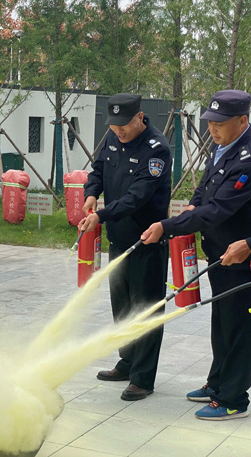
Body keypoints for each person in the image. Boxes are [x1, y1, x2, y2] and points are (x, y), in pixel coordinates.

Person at [142, 89, 251, 421]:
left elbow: (218, 209)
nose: (212, 128)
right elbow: (205, 190)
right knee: (222, 322)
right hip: (220, 253)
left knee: (240, 328)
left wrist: (167, 225)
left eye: (220, 123)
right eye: (210, 121)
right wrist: (191, 205)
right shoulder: (221, 146)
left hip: (243, 257)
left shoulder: (248, 158)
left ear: (242, 121)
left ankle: (233, 398)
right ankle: (217, 382)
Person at [79, 93, 172, 401]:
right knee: (121, 305)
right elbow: (97, 170)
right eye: (114, 124)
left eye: (124, 125)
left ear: (140, 117)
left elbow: (137, 197)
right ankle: (128, 361)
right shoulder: (112, 137)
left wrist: (101, 215)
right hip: (118, 238)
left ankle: (143, 378)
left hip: (147, 241)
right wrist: (91, 194)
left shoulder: (157, 150)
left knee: (145, 308)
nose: (119, 130)